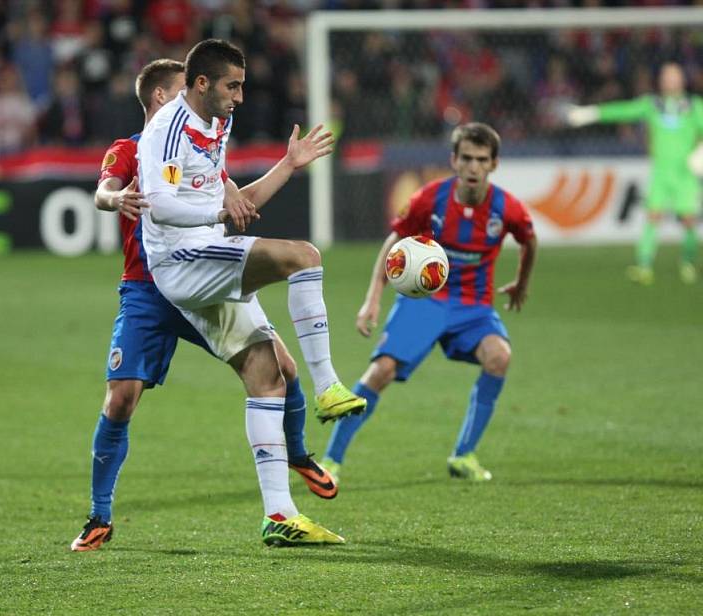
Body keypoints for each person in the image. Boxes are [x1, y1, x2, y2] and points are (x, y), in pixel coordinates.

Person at [71, 58, 340, 552]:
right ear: (161, 97)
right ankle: (99, 515)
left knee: (281, 367)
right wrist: (116, 200)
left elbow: (239, 205)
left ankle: (296, 457)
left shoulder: (202, 147)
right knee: (121, 399)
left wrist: (285, 166)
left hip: (205, 272)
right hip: (148, 289)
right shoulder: (132, 149)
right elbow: (104, 192)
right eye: (181, 93)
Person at [137, 39, 367, 546]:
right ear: (202, 84)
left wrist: (288, 165)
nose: (240, 97)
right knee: (303, 256)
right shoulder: (164, 132)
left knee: (269, 374)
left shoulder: (217, 123)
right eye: (232, 86)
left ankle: (278, 516)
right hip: (182, 260)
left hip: (210, 253)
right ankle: (329, 386)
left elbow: (237, 201)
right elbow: (160, 206)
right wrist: (219, 214)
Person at [321, 123, 537, 484]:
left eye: (481, 160)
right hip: (425, 302)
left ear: (493, 164)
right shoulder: (430, 199)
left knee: (500, 356)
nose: (472, 167)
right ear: (453, 160)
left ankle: (463, 454)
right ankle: (330, 460)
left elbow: (530, 240)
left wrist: (521, 283)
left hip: (473, 308)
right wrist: (372, 299)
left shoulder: (506, 208)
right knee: (381, 372)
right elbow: (394, 241)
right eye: (466, 158)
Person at [567, 62, 703, 285]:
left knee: (688, 221)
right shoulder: (653, 105)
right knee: (653, 217)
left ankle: (687, 263)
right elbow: (623, 110)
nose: (669, 80)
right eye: (666, 76)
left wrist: (700, 151)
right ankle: (644, 266)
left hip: (685, 174)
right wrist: (591, 113)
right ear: (661, 81)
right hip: (661, 172)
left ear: (682, 80)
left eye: (673, 76)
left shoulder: (694, 106)